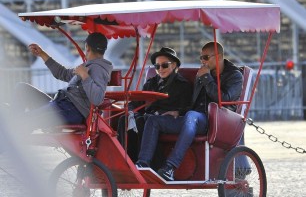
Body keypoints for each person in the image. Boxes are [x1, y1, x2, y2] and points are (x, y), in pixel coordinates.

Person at [136, 41, 243, 181]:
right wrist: (178, 112)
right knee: (153, 120)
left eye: (205, 57)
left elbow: (224, 99)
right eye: (201, 58)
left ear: (218, 57)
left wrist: (206, 78)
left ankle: (170, 167)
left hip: (218, 120)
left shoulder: (234, 75)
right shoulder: (203, 73)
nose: (202, 61)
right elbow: (193, 102)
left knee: (191, 116)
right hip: (193, 119)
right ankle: (143, 164)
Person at [5, 32, 113, 134]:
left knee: (22, 121)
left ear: (87, 47)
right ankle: (14, 130)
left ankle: (11, 137)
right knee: (22, 89)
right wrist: (42, 54)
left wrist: (85, 76)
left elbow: (97, 99)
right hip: (61, 105)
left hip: (69, 111)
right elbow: (63, 73)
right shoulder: (88, 66)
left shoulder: (99, 69)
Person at [117, 47, 193, 163]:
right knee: (125, 119)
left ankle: (149, 163)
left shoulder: (183, 85)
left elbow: (189, 107)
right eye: (157, 66)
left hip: (166, 121)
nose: (160, 69)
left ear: (174, 65)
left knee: (146, 120)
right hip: (148, 117)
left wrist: (178, 112)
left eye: (164, 65)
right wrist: (132, 112)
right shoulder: (150, 83)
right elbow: (136, 103)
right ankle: (124, 160)